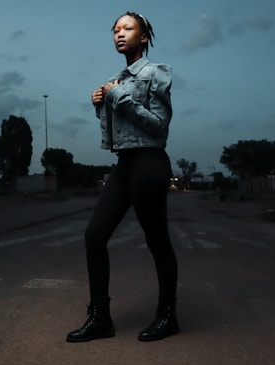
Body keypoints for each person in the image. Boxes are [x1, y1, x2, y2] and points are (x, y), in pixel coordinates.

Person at [66, 11, 179, 343]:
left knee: (157, 242)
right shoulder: (116, 78)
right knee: (94, 236)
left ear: (143, 37)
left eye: (127, 29)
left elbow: (160, 126)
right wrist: (99, 103)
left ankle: (168, 315)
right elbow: (120, 128)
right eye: (115, 29)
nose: (119, 34)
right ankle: (100, 318)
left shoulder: (156, 72)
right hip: (125, 164)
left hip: (149, 162)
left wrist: (118, 97)